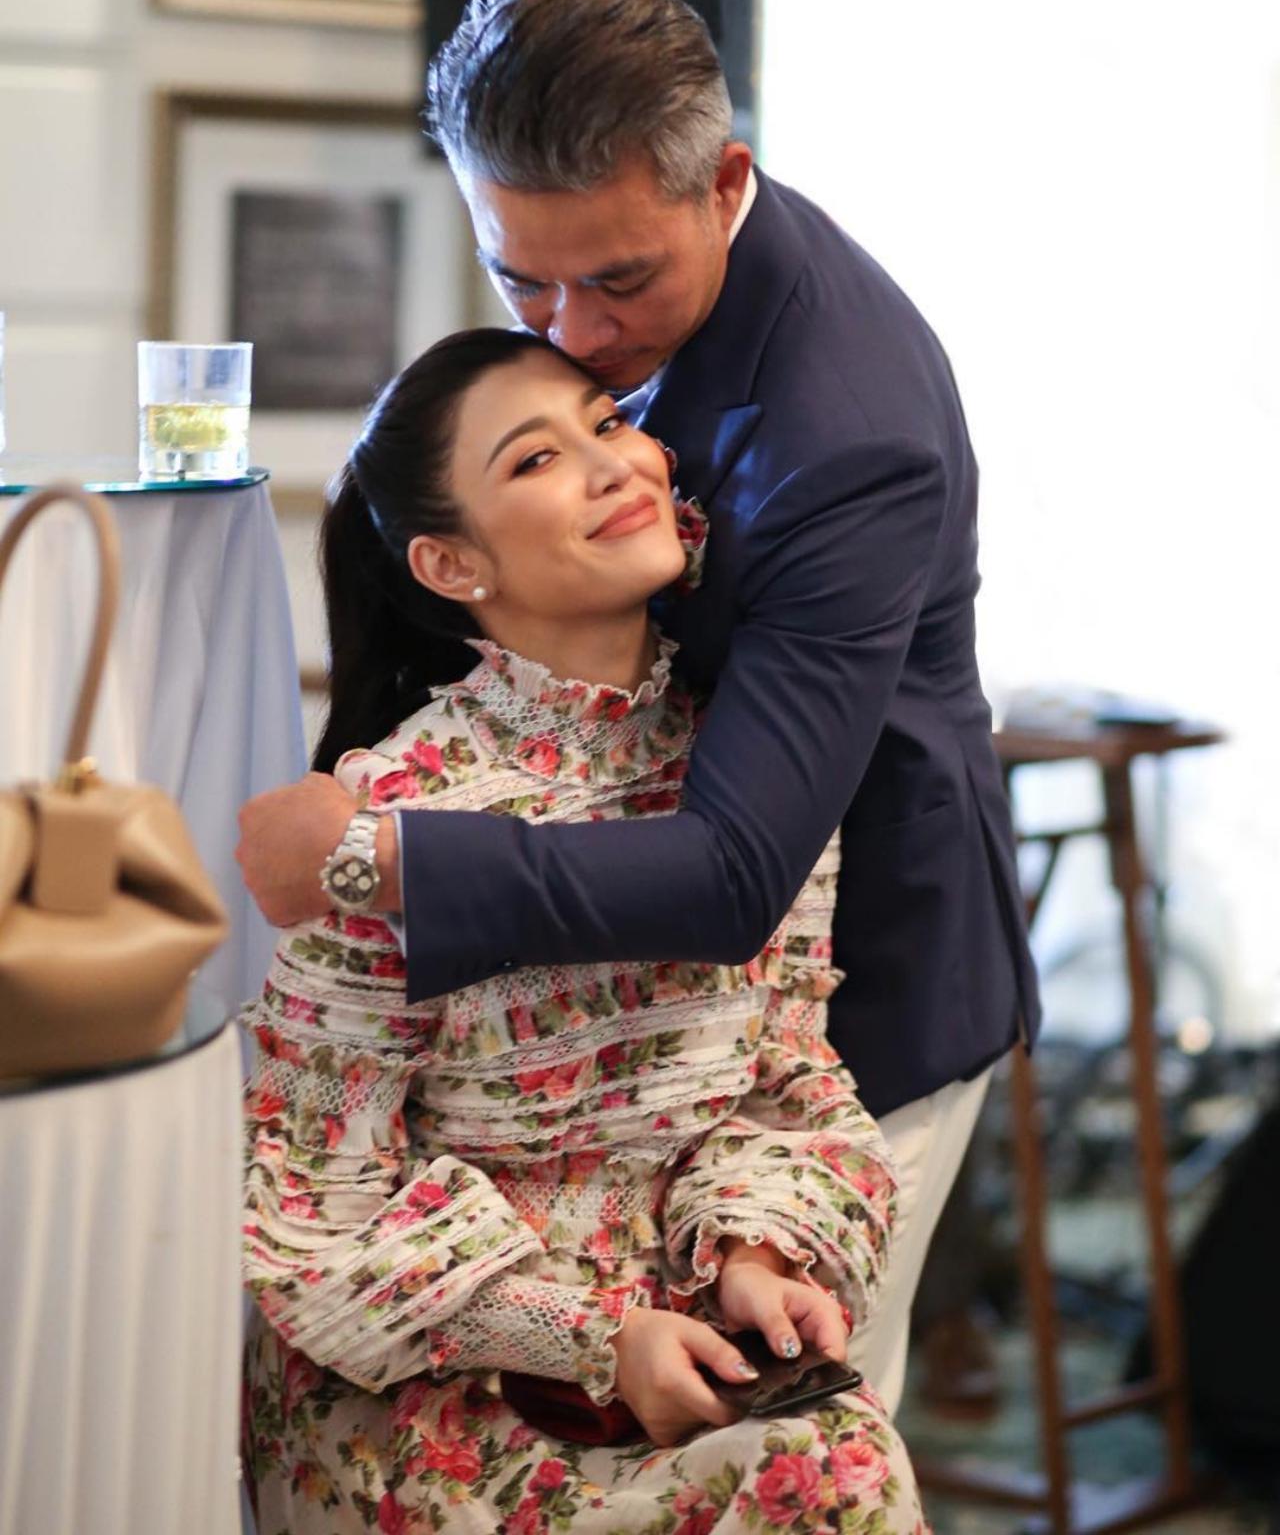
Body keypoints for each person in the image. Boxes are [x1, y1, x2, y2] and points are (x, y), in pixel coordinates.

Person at [236, 0, 1040, 1414]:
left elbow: (734, 875)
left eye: (616, 283)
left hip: (844, 987)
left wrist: (373, 856)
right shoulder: (609, 307)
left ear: (722, 184)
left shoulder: (846, 434)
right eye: (518, 280)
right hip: (625, 1045)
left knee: (796, 1431)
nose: (571, 334)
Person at [240, 327, 928, 1534]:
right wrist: (596, 1339)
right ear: (449, 562)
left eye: (608, 423)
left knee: (836, 1464)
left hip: (688, 1328)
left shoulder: (755, 778)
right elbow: (316, 1201)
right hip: (441, 1378)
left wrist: (756, 1262)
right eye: (536, 459)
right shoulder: (383, 818)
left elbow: (782, 1081)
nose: (615, 463)